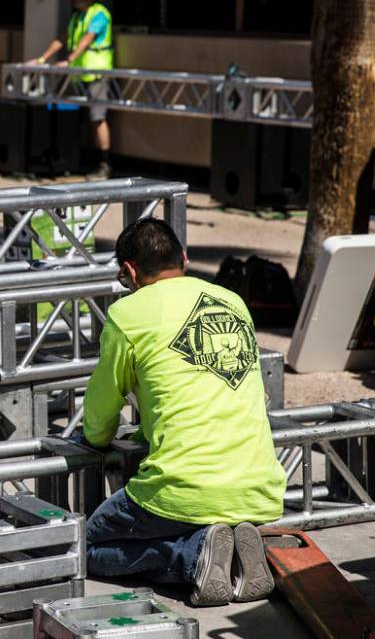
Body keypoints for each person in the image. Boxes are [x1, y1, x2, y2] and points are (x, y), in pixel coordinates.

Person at [81, 218, 285, 606]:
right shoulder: (232, 301)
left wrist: (95, 440)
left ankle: (191, 556)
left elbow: (102, 408)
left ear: (129, 271)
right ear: (185, 259)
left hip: (182, 490)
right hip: (258, 487)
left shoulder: (127, 314)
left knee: (87, 548)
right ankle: (233, 558)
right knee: (196, 515)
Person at [29, 0, 113, 179]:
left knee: (98, 118)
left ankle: (105, 163)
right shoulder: (77, 16)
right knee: (86, 119)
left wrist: (69, 60)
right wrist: (42, 59)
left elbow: (87, 39)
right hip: (80, 74)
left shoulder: (99, 14)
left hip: (96, 73)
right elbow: (63, 38)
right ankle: (84, 160)